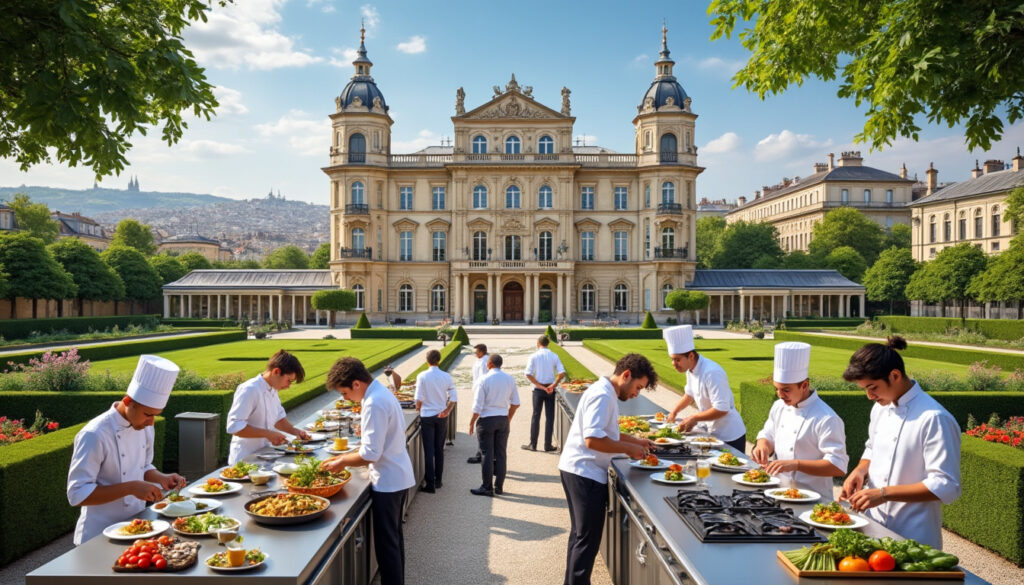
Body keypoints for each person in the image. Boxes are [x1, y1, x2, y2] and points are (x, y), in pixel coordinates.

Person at [838, 336, 961, 548]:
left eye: (872, 387)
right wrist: (860, 471)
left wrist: (884, 494)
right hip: (873, 527)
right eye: (864, 389)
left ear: (894, 375)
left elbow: (946, 485)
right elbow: (872, 448)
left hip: (915, 536)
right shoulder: (880, 408)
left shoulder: (934, 418)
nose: (869, 396)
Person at [558, 353, 658, 585]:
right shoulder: (603, 395)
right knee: (587, 542)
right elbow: (592, 440)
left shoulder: (605, 392)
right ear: (626, 375)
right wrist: (628, 450)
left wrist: (636, 441)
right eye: (638, 387)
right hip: (585, 473)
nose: (636, 394)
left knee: (580, 537)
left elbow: (606, 432)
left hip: (578, 470)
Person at [66, 355, 186, 545]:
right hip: (97, 537)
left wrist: (161, 478)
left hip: (137, 526)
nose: (151, 422)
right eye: (148, 414)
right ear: (128, 401)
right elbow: (77, 493)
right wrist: (131, 488)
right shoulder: (94, 434)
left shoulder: (145, 426)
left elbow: (142, 466)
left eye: (155, 415)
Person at [322, 357, 415, 585]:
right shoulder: (379, 394)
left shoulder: (374, 402)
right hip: (397, 475)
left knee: (386, 546)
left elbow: (371, 454)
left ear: (356, 384)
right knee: (393, 541)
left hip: (388, 480)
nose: (345, 398)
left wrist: (341, 461)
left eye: (344, 393)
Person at [750, 342, 848, 497]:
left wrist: (796, 464)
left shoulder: (827, 418)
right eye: (777, 389)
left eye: (786, 390)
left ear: (804, 385)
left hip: (813, 499)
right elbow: (767, 434)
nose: (780, 395)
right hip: (778, 492)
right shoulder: (778, 406)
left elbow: (837, 466)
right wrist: (762, 446)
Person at [663, 325, 747, 452]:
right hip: (711, 434)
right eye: (672, 359)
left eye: (677, 360)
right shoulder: (690, 369)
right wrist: (674, 412)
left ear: (691, 356)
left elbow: (722, 408)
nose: (673, 364)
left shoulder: (712, 372)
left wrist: (694, 418)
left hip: (730, 436)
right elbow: (689, 395)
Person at [226, 350, 310, 464]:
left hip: (266, 455)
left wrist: (294, 431)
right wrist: (268, 434)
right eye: (289, 381)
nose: (288, 386)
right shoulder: (249, 389)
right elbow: (234, 427)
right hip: (245, 459)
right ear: (276, 371)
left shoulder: (273, 389)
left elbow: (279, 419)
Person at [468, 354, 520, 496]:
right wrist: (508, 417)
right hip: (502, 419)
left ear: (489, 364)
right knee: (501, 453)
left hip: (487, 420)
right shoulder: (509, 379)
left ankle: (487, 487)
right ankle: (499, 487)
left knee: (486, 454)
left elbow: (477, 406)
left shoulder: (483, 379)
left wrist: (472, 422)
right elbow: (516, 403)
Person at [414, 349, 456, 493]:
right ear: (439, 360)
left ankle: (430, 484)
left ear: (427, 361)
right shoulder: (446, 376)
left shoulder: (422, 376)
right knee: (439, 450)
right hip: (441, 416)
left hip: (427, 416)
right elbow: (454, 398)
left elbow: (419, 398)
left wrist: (417, 410)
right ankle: (439, 481)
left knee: (428, 451)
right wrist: (447, 411)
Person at [522, 335, 566, 452]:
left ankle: (533, 444)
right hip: (550, 389)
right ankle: (547, 445)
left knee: (536, 416)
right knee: (550, 417)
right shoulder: (554, 355)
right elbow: (562, 373)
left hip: (538, 389)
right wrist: (553, 384)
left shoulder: (534, 356)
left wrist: (540, 386)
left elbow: (528, 374)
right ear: (548, 343)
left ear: (538, 343)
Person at [467, 343, 488, 464]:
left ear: (482, 351)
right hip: (479, 392)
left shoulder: (484, 362)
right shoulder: (480, 360)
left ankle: (480, 454)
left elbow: (482, 379)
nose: (475, 354)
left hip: (481, 393)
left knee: (481, 426)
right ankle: (480, 452)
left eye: (476, 352)